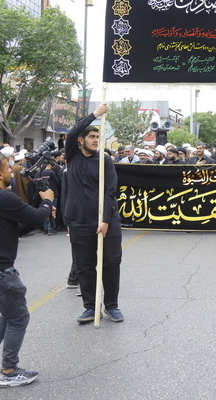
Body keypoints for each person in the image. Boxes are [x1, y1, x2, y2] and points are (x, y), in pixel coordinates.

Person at [0, 152, 54, 386]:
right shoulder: (1, 197)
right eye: (8, 168)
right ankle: (9, 370)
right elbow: (36, 217)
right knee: (18, 317)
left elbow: (15, 228)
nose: (11, 172)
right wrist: (47, 201)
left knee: (9, 314)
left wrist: (40, 213)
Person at [64, 104, 124, 323]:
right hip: (79, 221)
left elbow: (110, 192)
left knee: (110, 263)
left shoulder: (105, 160)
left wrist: (106, 220)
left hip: (106, 220)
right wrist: (95, 115)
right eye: (91, 136)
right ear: (81, 140)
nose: (95, 140)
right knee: (85, 266)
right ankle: (90, 307)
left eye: (97, 137)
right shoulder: (72, 156)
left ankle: (112, 305)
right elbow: (71, 132)